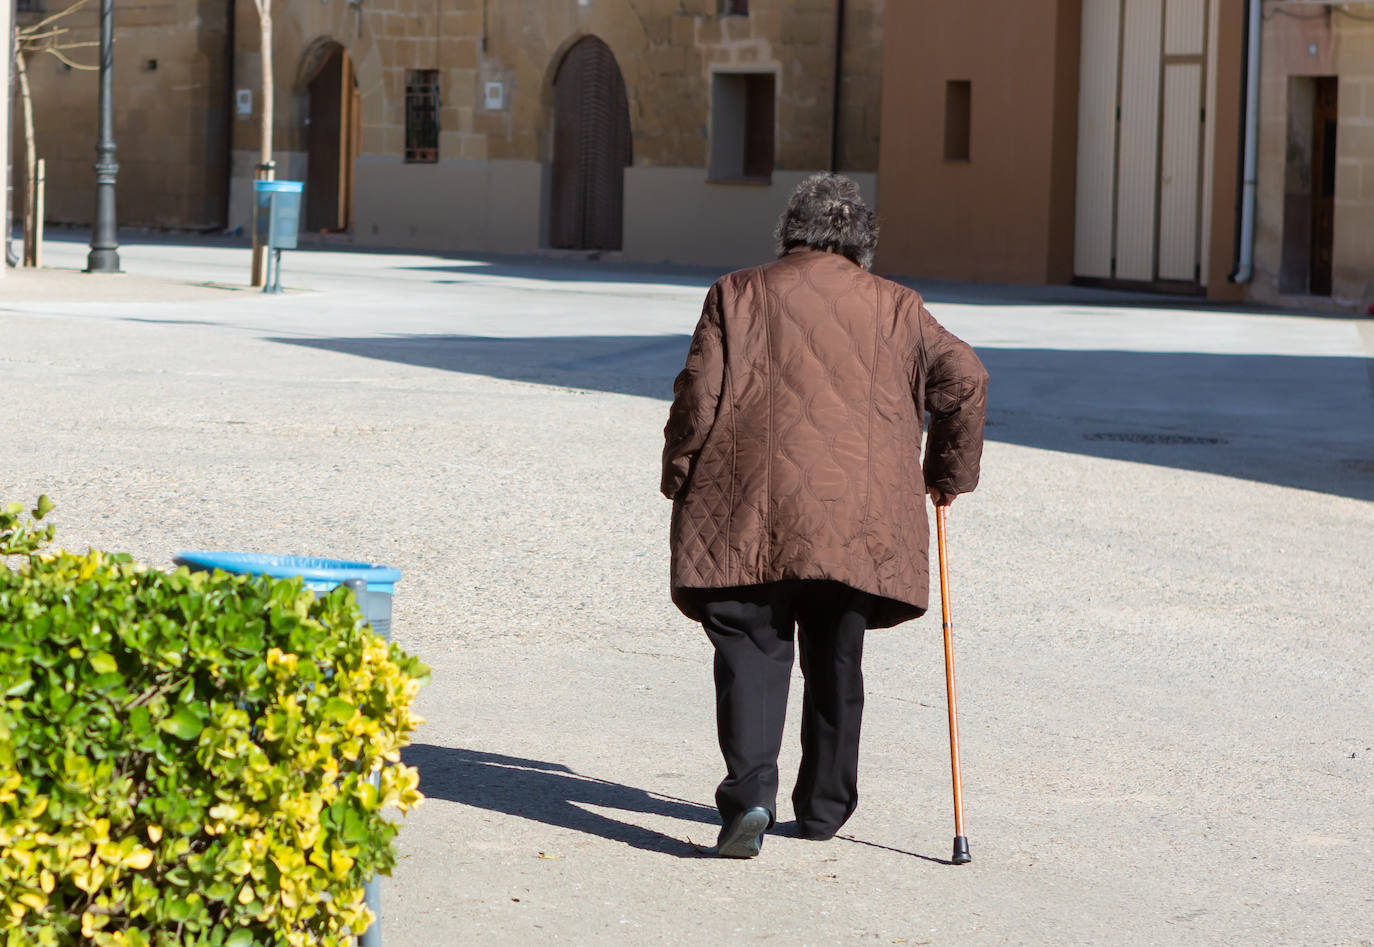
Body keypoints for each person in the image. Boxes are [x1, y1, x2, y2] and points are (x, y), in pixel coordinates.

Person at [661, 173, 988, 858]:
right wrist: (945, 476)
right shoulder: (900, 307)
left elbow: (698, 394)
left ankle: (751, 795)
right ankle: (824, 806)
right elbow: (966, 378)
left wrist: (680, 471)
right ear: (861, 245)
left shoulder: (737, 292)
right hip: (856, 519)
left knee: (751, 644)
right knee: (838, 649)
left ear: (790, 234)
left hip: (750, 503)